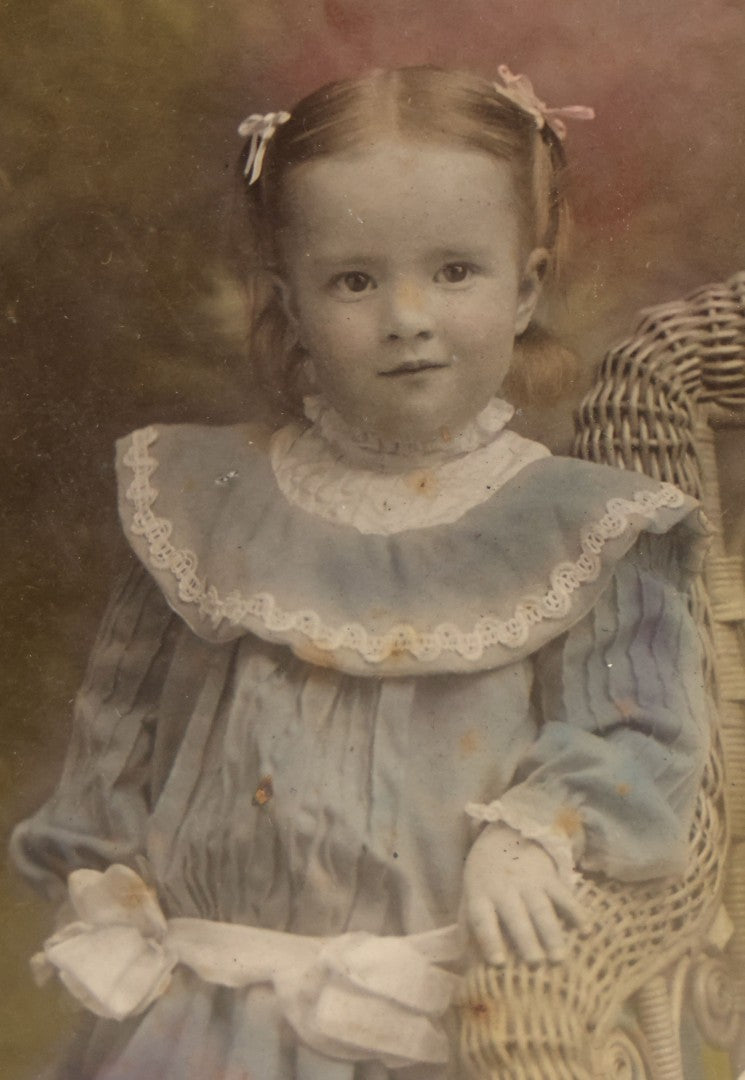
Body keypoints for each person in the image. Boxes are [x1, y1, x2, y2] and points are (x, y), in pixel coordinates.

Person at [11, 65, 711, 1079]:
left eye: (457, 271)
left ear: (526, 287)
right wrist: (102, 874)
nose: (407, 316)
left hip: (449, 1014)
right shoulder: (205, 503)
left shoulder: (580, 527)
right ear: (288, 303)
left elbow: (642, 735)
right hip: (211, 1019)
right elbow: (121, 723)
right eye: (354, 279)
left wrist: (535, 831)